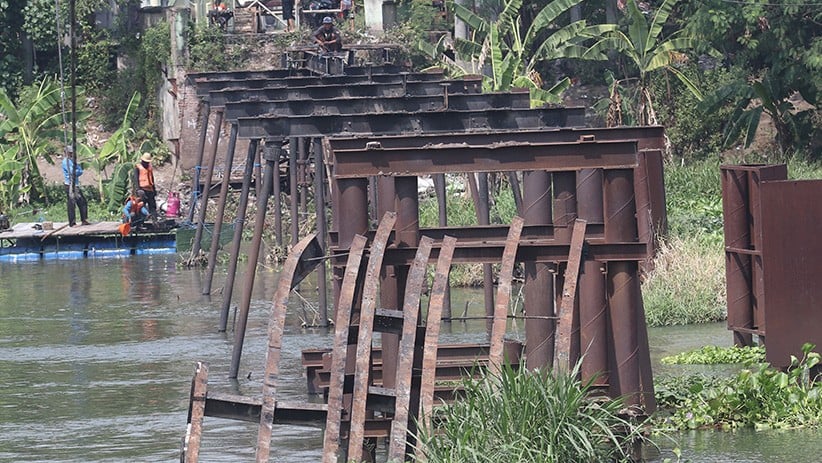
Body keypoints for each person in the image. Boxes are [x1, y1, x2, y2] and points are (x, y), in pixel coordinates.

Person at [62, 147, 90, 227]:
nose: (71, 154)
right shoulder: (65, 162)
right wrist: (77, 171)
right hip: (70, 184)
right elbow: (72, 172)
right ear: (66, 153)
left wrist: (77, 171)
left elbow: (80, 171)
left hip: (76, 184)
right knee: (71, 203)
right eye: (70, 153)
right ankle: (72, 223)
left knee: (82, 202)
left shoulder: (73, 161)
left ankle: (84, 219)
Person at [134, 153, 157, 220]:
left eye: (147, 162)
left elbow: (152, 179)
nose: (146, 163)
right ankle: (141, 221)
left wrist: (154, 189)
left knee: (152, 206)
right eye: (145, 162)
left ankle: (154, 220)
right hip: (142, 190)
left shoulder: (149, 168)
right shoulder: (137, 168)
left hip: (150, 190)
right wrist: (138, 189)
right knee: (141, 206)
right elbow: (136, 179)